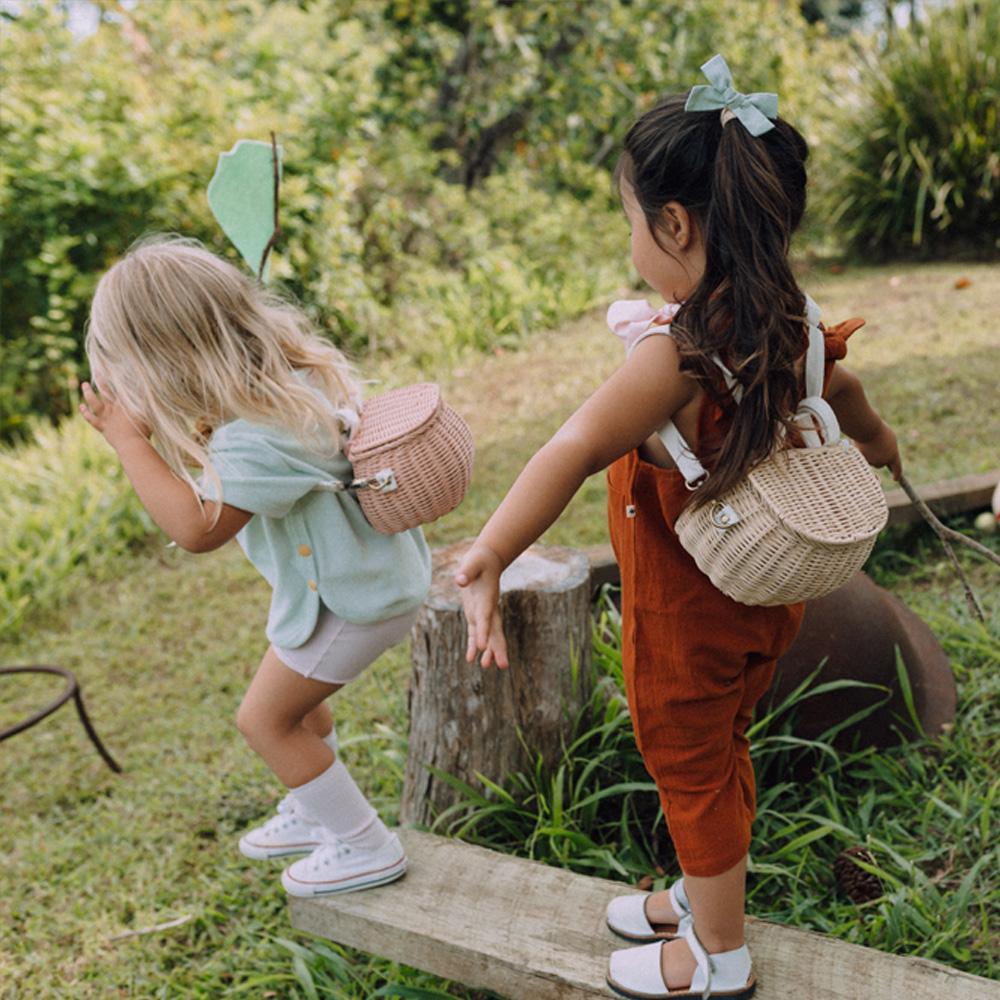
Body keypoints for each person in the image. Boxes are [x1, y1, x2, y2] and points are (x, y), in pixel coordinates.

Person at [456, 56, 900, 1000]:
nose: (633, 238)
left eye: (631, 220)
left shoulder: (676, 356)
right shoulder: (790, 319)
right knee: (723, 744)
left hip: (683, 618)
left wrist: (492, 552)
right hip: (759, 604)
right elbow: (852, 395)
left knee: (690, 765)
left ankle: (718, 959)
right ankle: (700, 900)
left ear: (675, 223)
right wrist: (881, 446)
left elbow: (570, 448)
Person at [80, 235, 431, 897]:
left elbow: (194, 528)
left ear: (167, 356)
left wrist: (129, 441)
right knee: (295, 701)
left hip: (356, 601)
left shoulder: (262, 432)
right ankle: (312, 806)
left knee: (264, 720)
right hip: (343, 588)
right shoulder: (279, 392)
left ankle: (364, 845)